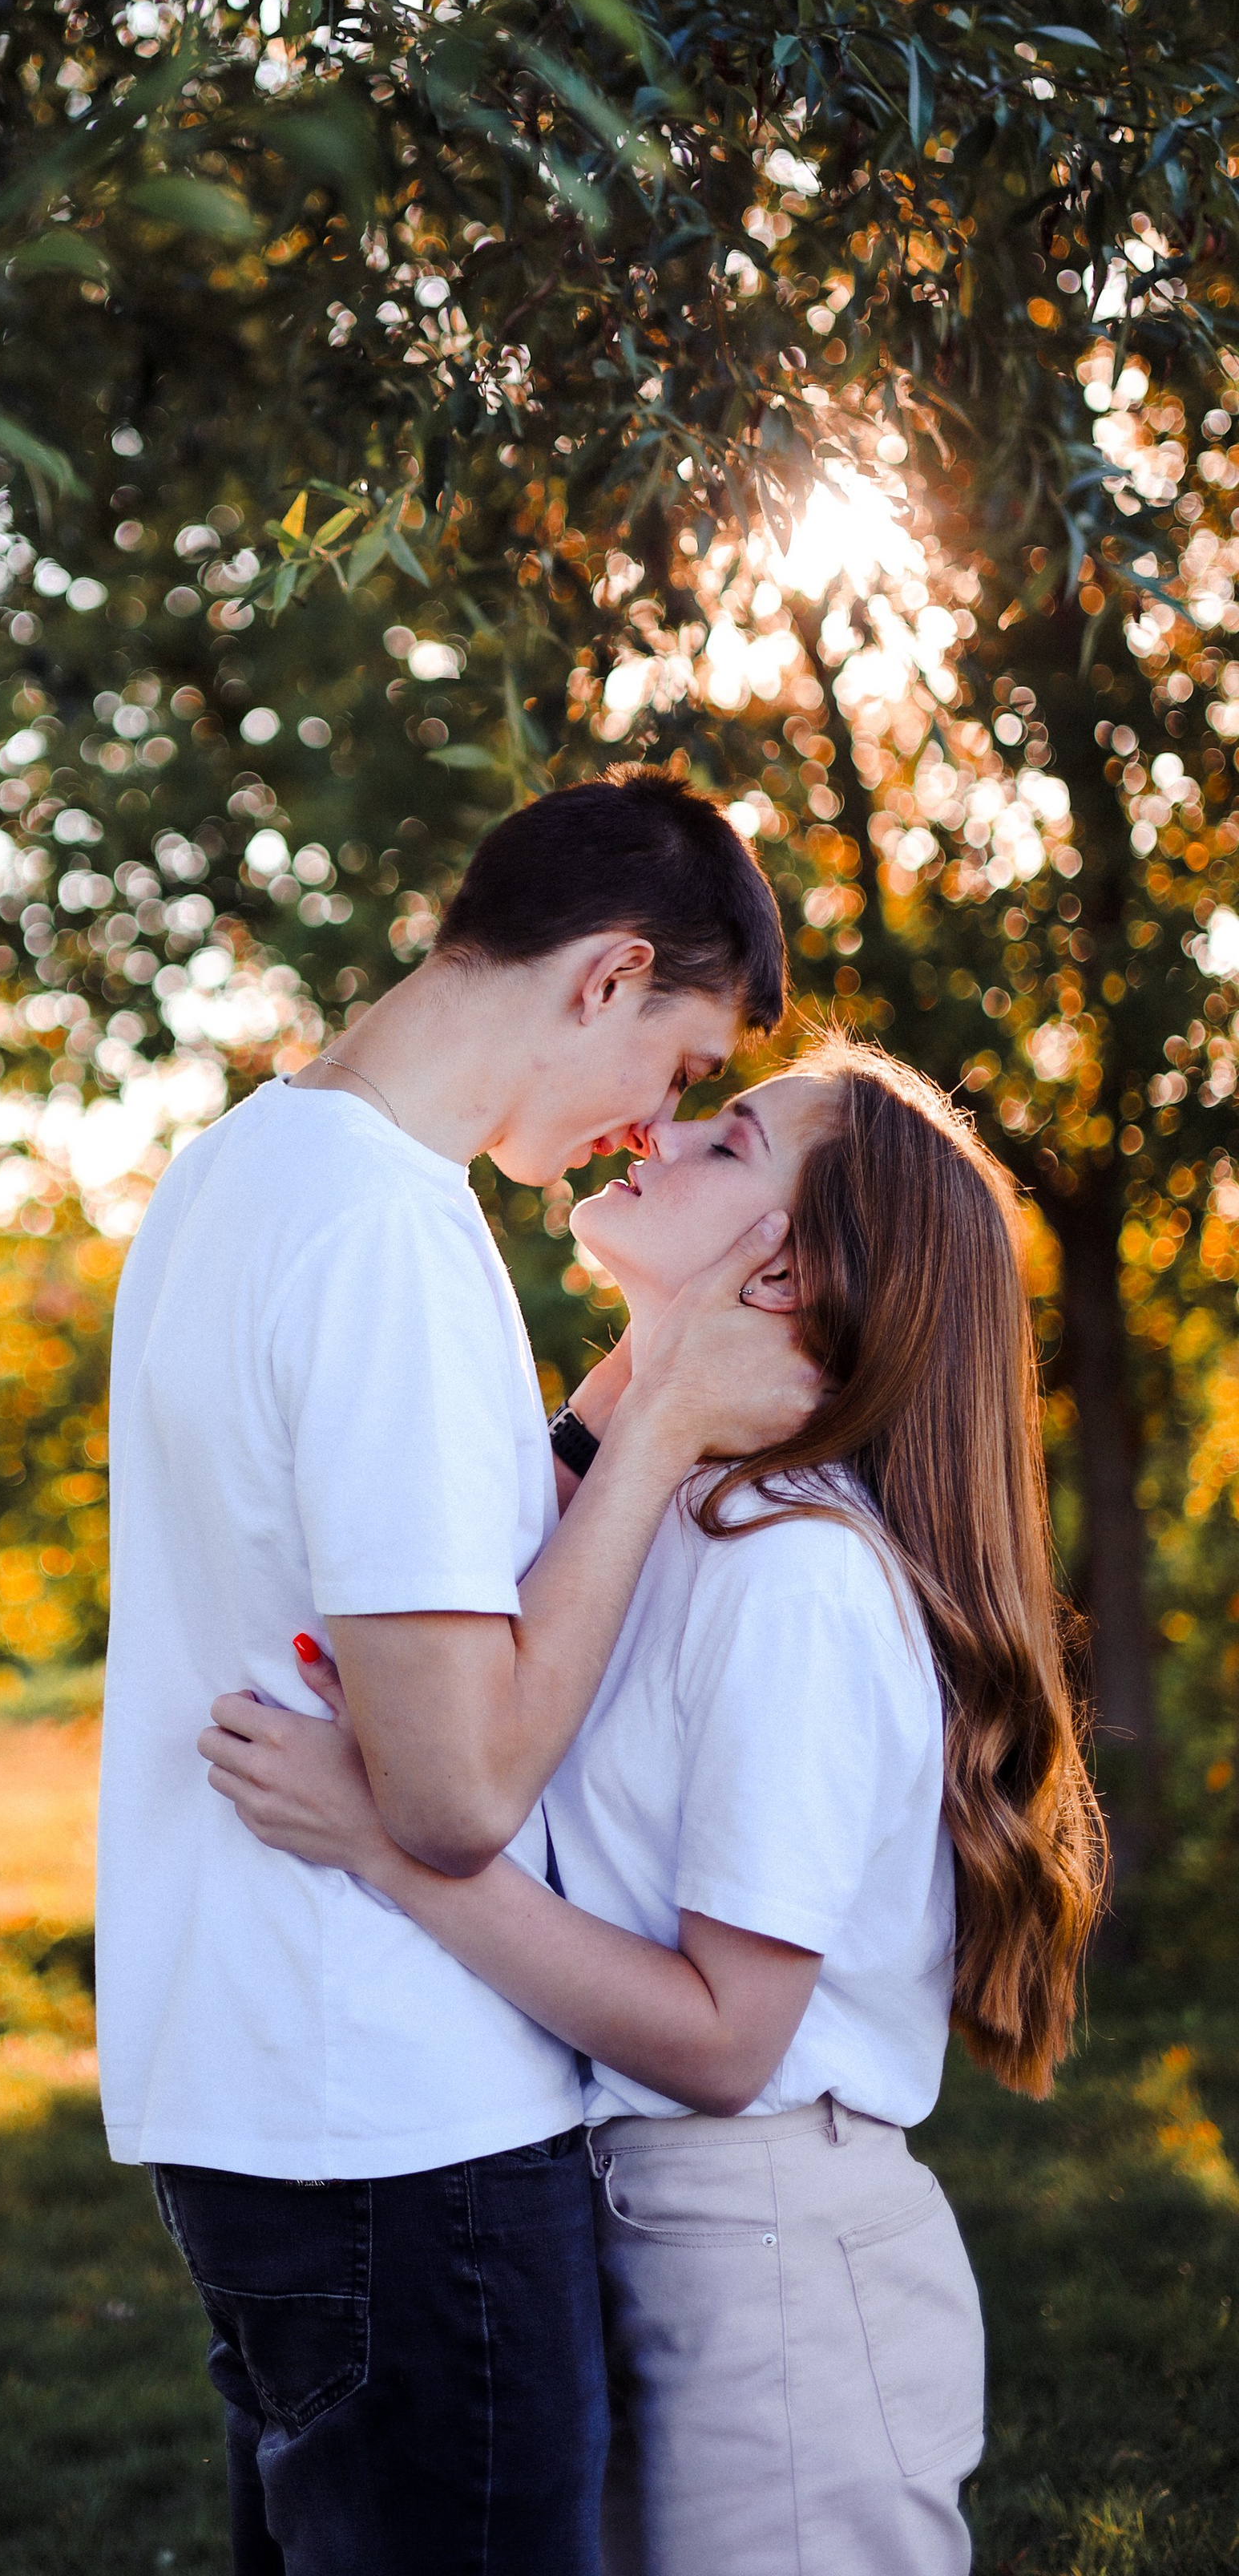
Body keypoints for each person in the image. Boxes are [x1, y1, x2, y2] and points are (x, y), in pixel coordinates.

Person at [203, 1036, 1107, 2576]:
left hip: (771, 2264)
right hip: (644, 2226)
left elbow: (723, 2035)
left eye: (733, 1144)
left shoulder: (794, 1575)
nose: (663, 1133)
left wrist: (386, 1845)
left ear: (789, 1271)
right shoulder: (674, 1518)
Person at [97, 770, 823, 2576]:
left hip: (254, 2083)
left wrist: (582, 1434)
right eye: (675, 1067)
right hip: (398, 2129)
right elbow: (453, 1792)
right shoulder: (388, 1237)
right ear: (608, 975)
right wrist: (657, 1440)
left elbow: (386, 1600)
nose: (641, 1128)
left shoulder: (239, 1170)